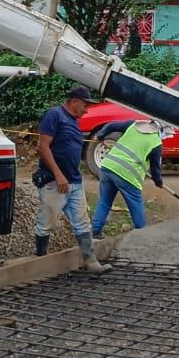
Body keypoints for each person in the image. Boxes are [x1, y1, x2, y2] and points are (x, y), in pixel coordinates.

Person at [33, 86, 109, 273]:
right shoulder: (54, 116)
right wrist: (59, 175)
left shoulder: (73, 121)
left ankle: (91, 262)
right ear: (74, 101)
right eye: (85, 105)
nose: (86, 110)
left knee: (82, 222)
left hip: (74, 181)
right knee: (46, 223)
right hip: (54, 181)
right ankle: (39, 260)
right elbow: (43, 147)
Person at [90, 120, 171, 237]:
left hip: (108, 167)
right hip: (127, 176)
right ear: (161, 130)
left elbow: (111, 125)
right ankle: (141, 234)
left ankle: (95, 232)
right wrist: (158, 182)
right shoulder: (156, 143)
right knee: (136, 204)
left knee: (105, 201)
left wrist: (101, 135)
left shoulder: (133, 125)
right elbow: (155, 169)